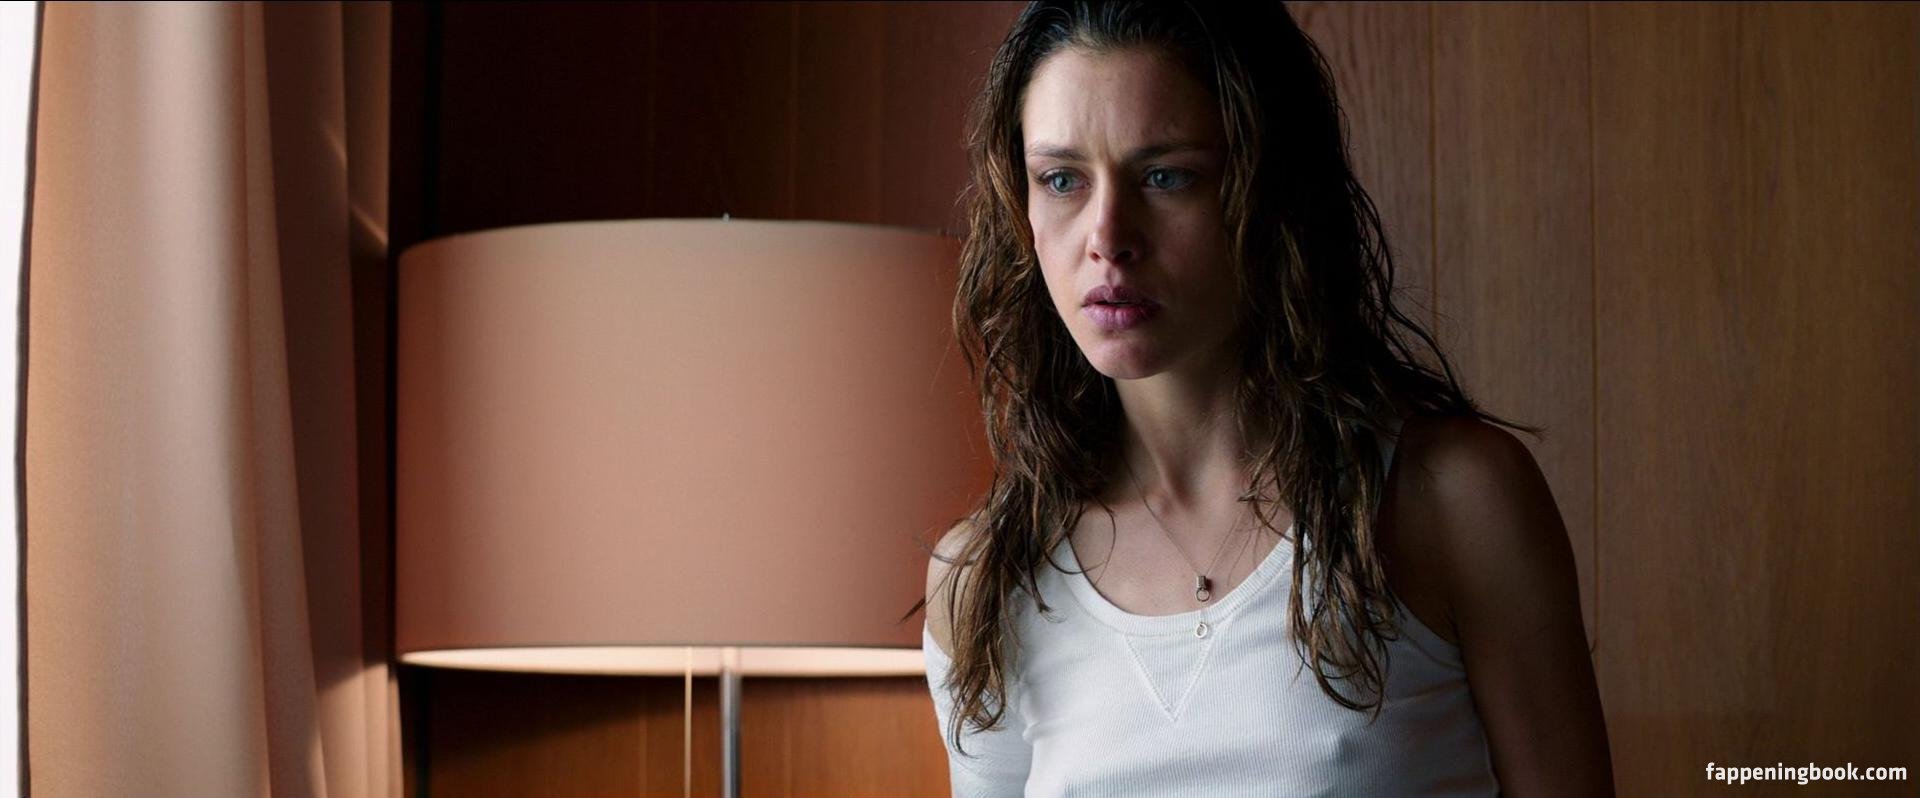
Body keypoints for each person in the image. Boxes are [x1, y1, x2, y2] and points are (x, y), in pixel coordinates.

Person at [915, 1, 1615, 795]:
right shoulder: (983, 582)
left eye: (1165, 176)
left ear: (1268, 191)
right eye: (1062, 179)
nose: (1107, 238)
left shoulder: (1449, 501)